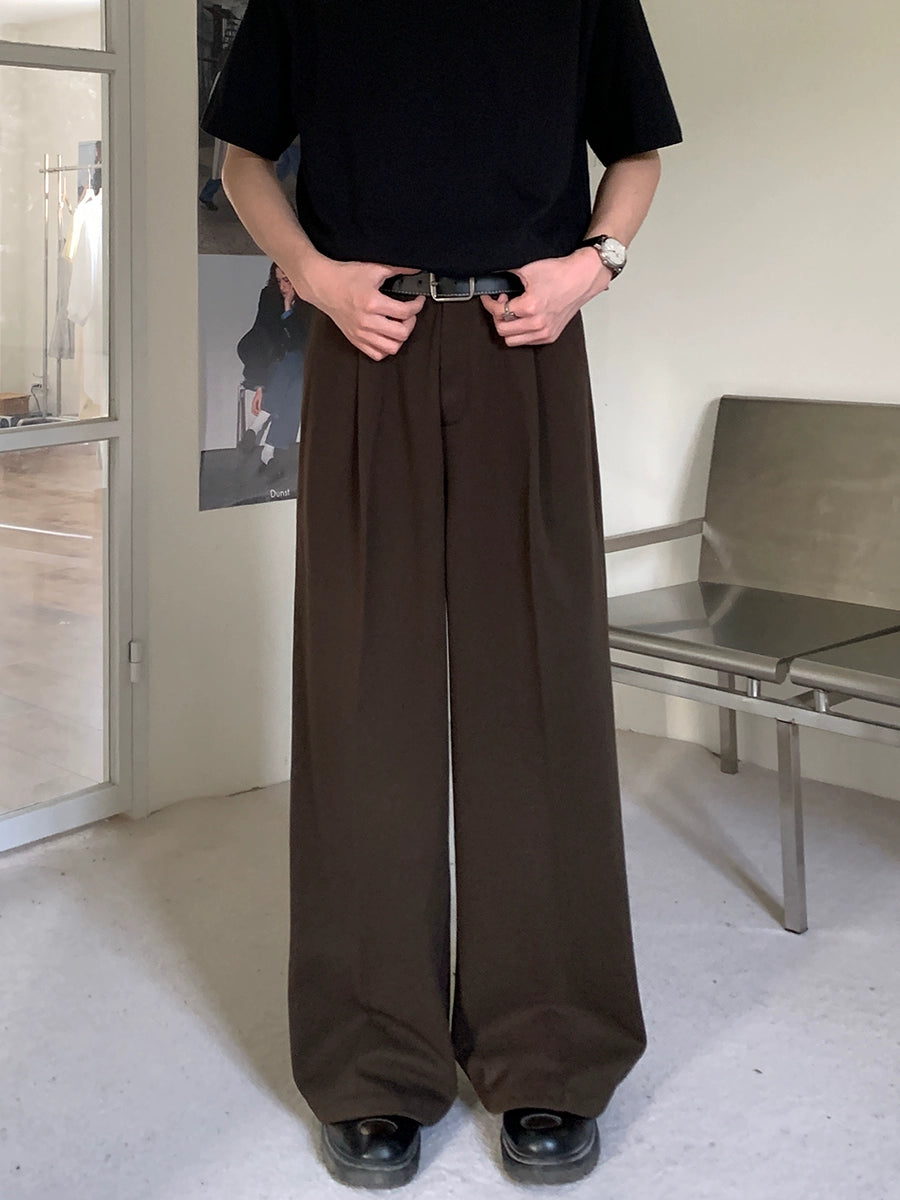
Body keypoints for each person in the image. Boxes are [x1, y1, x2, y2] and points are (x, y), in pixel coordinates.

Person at [201, 0, 682, 1187]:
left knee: (541, 689)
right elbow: (243, 157)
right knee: (366, 693)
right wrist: (315, 278)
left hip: (530, 344)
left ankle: (551, 1048)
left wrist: (592, 268)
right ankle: (373, 1060)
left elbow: (636, 153)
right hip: (369, 344)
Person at [236, 261, 311, 479]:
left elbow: (300, 341)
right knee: (294, 373)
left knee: (298, 385)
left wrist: (288, 308)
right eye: (278, 281)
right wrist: (260, 384)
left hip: (300, 363)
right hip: (273, 362)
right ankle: (268, 452)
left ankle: (258, 430)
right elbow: (261, 335)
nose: (282, 287)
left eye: (287, 280)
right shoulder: (269, 297)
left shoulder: (309, 302)